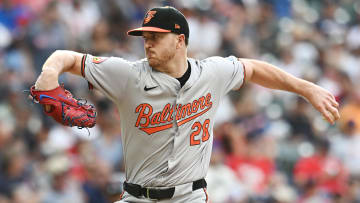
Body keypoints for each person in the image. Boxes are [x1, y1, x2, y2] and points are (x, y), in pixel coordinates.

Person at [32, 6, 340, 203]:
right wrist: (48, 74)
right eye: (145, 36)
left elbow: (255, 68)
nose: (147, 42)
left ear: (180, 40)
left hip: (189, 197)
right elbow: (66, 57)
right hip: (136, 197)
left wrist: (306, 89)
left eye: (156, 36)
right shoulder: (126, 74)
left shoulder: (212, 73)